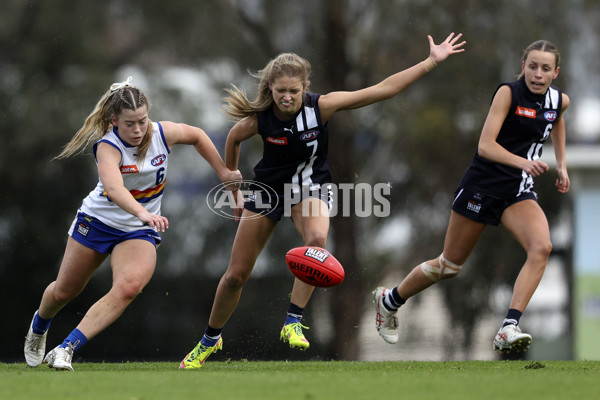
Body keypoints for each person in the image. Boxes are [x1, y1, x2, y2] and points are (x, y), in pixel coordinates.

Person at [179, 32, 466, 369]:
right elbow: (233, 138)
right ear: (270, 88)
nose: (287, 97)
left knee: (316, 243)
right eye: (280, 91)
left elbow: (382, 89)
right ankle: (210, 340)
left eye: (294, 91)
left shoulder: (322, 107)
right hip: (268, 191)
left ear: (306, 87)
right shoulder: (260, 119)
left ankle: (292, 321)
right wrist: (232, 185)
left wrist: (431, 61)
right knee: (235, 275)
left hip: (311, 187)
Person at [24, 76, 242, 371]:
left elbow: (198, 136)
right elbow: (114, 189)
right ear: (114, 120)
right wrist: (143, 212)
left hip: (137, 229)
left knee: (129, 287)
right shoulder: (108, 147)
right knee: (64, 291)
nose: (139, 129)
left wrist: (223, 173)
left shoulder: (162, 133)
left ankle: (65, 349)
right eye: (130, 123)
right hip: (98, 221)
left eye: (143, 120)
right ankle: (39, 327)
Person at [372, 40, 570, 355]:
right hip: (483, 184)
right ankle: (390, 300)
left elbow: (556, 120)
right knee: (449, 265)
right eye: (532, 66)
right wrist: (524, 162)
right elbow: (485, 146)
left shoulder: (559, 100)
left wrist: (561, 165)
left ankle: (508, 327)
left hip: (517, 189)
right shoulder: (508, 93)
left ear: (555, 72)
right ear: (523, 67)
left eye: (545, 68)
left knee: (541, 247)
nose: (538, 73)